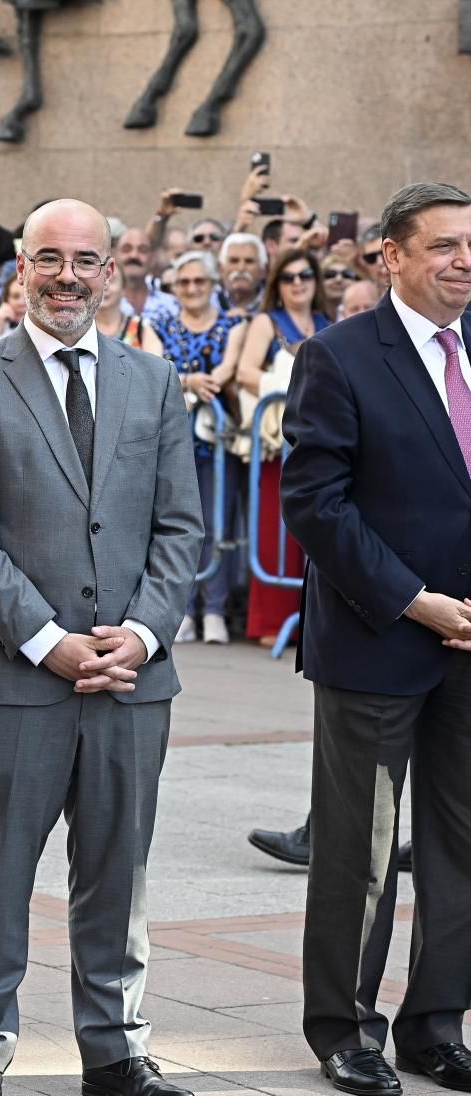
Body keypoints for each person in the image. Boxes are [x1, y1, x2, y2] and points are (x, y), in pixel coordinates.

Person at [0, 198, 203, 1096]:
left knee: (119, 872)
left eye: (86, 261)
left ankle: (117, 1051)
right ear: (20, 273)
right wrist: (47, 641)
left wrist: (143, 633)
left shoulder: (152, 383)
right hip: (16, 679)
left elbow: (180, 531)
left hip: (133, 680)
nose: (67, 277)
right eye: (48, 259)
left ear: (112, 275)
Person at [281, 181, 471, 1096]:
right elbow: (315, 505)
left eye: (470, 244)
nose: (463, 260)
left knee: (461, 842)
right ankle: (344, 1028)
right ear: (391, 257)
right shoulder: (339, 356)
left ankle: (437, 1025)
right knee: (360, 849)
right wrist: (414, 601)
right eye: (443, 246)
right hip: (379, 638)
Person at [232, 247, 329, 647]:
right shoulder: (267, 322)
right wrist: (294, 392)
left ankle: (314, 618)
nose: (298, 283)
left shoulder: (328, 321)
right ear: (277, 284)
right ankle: (271, 621)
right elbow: (246, 373)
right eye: (289, 277)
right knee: (275, 529)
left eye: (305, 275)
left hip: (322, 441)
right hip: (279, 442)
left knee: (318, 529)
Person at [153, 250, 246, 646]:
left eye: (200, 282)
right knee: (172, 527)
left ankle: (215, 610)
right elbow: (156, 364)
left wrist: (192, 380)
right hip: (170, 440)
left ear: (213, 285)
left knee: (216, 527)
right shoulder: (158, 323)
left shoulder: (234, 324)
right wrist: (192, 383)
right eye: (184, 282)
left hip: (217, 442)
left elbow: (227, 370)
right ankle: (183, 610)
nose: (191, 289)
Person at [97, 259, 167, 356]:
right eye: (100, 280)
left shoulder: (140, 328)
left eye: (112, 280)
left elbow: (157, 365)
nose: (105, 286)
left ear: (124, 289)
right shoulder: (83, 327)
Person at [219, 232, 267, 314]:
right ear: (221, 269)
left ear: (263, 270)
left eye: (249, 261)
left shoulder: (276, 304)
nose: (241, 268)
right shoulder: (206, 302)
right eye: (234, 261)